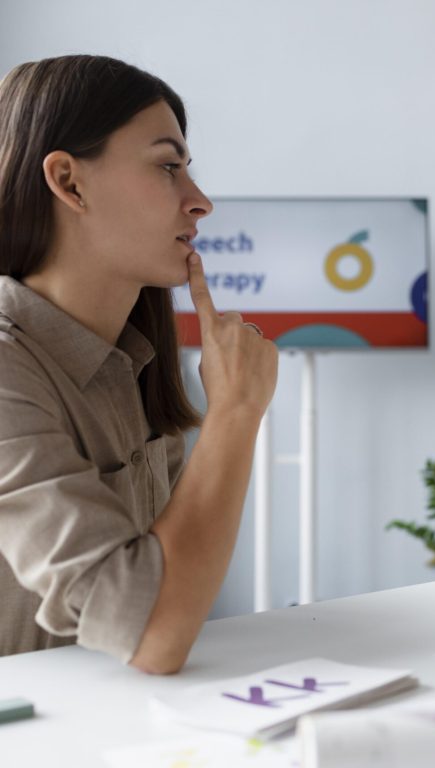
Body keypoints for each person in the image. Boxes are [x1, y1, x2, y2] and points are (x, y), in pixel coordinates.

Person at [0, 55, 278, 673]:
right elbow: (155, 633)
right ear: (70, 183)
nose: (200, 201)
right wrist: (234, 411)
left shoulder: (134, 361)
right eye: (167, 167)